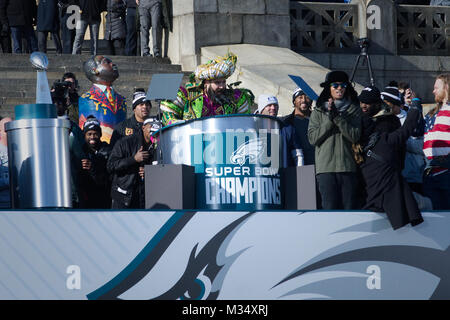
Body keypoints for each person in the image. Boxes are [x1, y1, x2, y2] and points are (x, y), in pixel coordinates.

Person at [359, 95, 424, 230]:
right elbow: (405, 130)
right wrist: (415, 109)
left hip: (371, 203)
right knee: (428, 204)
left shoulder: (360, 153)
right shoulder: (384, 142)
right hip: (389, 205)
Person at [308, 70, 362, 210]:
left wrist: (338, 118)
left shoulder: (354, 110)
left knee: (349, 209)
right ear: (328, 88)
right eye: (335, 85)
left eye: (343, 85)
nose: (339, 88)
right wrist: (329, 120)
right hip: (326, 169)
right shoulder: (318, 111)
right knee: (329, 209)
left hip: (347, 167)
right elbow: (313, 139)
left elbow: (355, 136)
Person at [161, 52, 254, 126]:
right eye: (217, 83)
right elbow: (169, 116)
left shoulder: (235, 98)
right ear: (206, 83)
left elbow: (245, 122)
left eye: (224, 82)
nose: (222, 86)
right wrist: (178, 123)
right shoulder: (187, 95)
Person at [107, 117, 158, 209]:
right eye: (151, 127)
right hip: (123, 197)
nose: (154, 130)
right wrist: (134, 159)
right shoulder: (125, 142)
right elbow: (111, 165)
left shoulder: (159, 145)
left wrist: (150, 172)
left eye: (157, 128)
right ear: (143, 128)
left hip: (145, 199)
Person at [79, 55, 127, 144]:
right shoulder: (86, 99)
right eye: (106, 62)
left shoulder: (121, 99)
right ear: (94, 70)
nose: (112, 64)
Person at [52, 88, 86, 208]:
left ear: (65, 103)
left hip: (73, 178)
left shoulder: (73, 127)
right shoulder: (47, 126)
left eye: (59, 103)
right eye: (54, 103)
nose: (56, 106)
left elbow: (82, 152)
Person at [423, 74, 450, 210]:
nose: (433, 91)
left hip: (447, 172)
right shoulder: (431, 114)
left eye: (436, 88)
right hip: (430, 172)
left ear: (446, 87)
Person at [255, 94, 303, 167]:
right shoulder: (251, 128)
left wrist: (301, 173)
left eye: (275, 105)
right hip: (259, 176)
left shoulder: (287, 129)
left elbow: (298, 155)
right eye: (269, 105)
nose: (273, 108)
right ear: (262, 109)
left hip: (282, 175)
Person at [78, 116, 112, 208]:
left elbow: (109, 177)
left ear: (100, 134)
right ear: (84, 135)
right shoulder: (79, 151)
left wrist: (93, 167)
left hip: (104, 198)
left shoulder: (108, 151)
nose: (92, 137)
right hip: (84, 199)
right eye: (89, 134)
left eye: (95, 134)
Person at [281, 87, 315, 166]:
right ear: (294, 101)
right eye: (300, 97)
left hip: (317, 166)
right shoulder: (285, 122)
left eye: (307, 97)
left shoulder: (318, 120)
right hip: (294, 167)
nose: (304, 100)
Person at [0, 117, 11, 208]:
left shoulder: (24, 149)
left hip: (22, 204)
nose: (10, 132)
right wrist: (6, 181)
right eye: (6, 129)